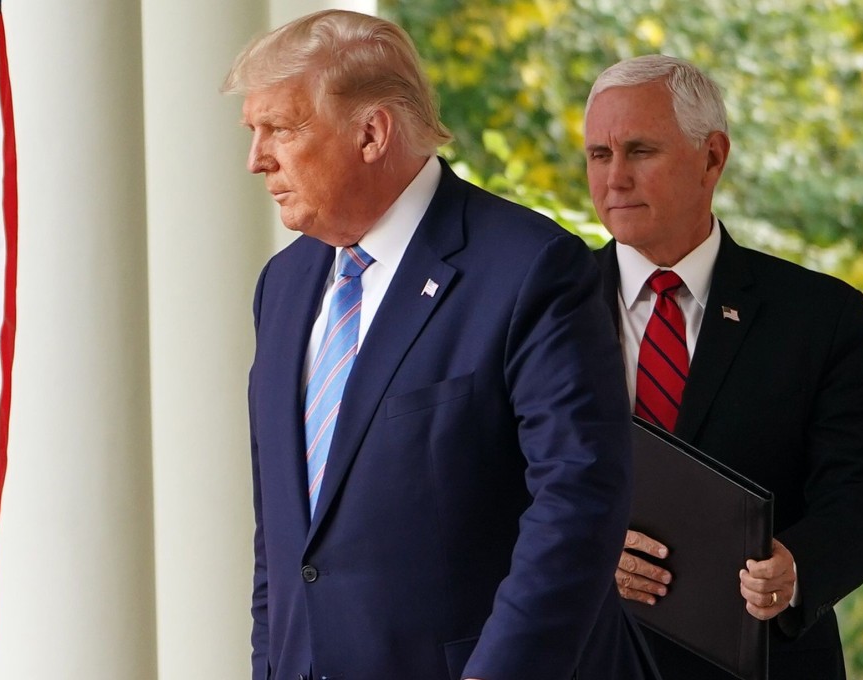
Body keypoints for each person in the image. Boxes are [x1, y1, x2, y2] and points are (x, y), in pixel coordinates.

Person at [223, 10, 660, 680]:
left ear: (372, 133)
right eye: (255, 131)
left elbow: (577, 509)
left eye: (279, 128)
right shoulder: (282, 286)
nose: (257, 159)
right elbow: (283, 545)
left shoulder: (531, 268)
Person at [585, 54, 863, 679]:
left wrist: (797, 568)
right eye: (598, 155)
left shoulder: (820, 315)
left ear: (713, 158)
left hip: (767, 660)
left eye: (639, 151)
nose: (614, 179)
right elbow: (484, 476)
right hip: (589, 655)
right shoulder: (541, 306)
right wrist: (584, 551)